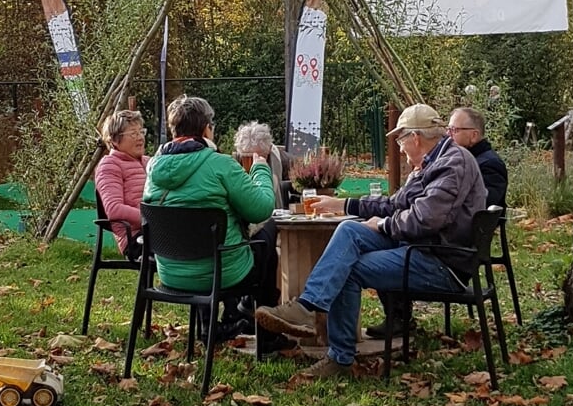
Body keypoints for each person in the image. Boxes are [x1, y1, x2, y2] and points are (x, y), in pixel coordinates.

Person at [254, 104, 488, 379]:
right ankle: (308, 307)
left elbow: (424, 219)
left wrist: (384, 225)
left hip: (441, 262)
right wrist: (345, 204)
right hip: (421, 249)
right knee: (349, 231)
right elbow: (394, 204)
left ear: (415, 137)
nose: (399, 149)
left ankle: (339, 358)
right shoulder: (432, 163)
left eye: (400, 140)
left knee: (348, 268)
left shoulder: (453, 163)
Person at [142, 96, 291, 353]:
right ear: (206, 128)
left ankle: (212, 324)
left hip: (171, 272)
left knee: (200, 236)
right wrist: (260, 169)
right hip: (223, 273)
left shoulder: (153, 168)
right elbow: (262, 209)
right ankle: (265, 334)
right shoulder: (220, 165)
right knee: (268, 232)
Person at [366, 106, 509, 340]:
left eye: (454, 129)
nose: (448, 135)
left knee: (376, 253)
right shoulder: (443, 161)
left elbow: (475, 209)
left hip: (452, 250)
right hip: (446, 245)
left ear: (474, 135)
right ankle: (399, 317)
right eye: (448, 128)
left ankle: (383, 325)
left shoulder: (481, 163)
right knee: (390, 240)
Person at [94, 110, 150, 260]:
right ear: (115, 140)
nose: (140, 138)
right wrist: (152, 219)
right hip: (135, 239)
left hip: (157, 230)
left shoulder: (149, 162)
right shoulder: (109, 166)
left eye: (141, 132)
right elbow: (114, 209)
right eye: (133, 133)